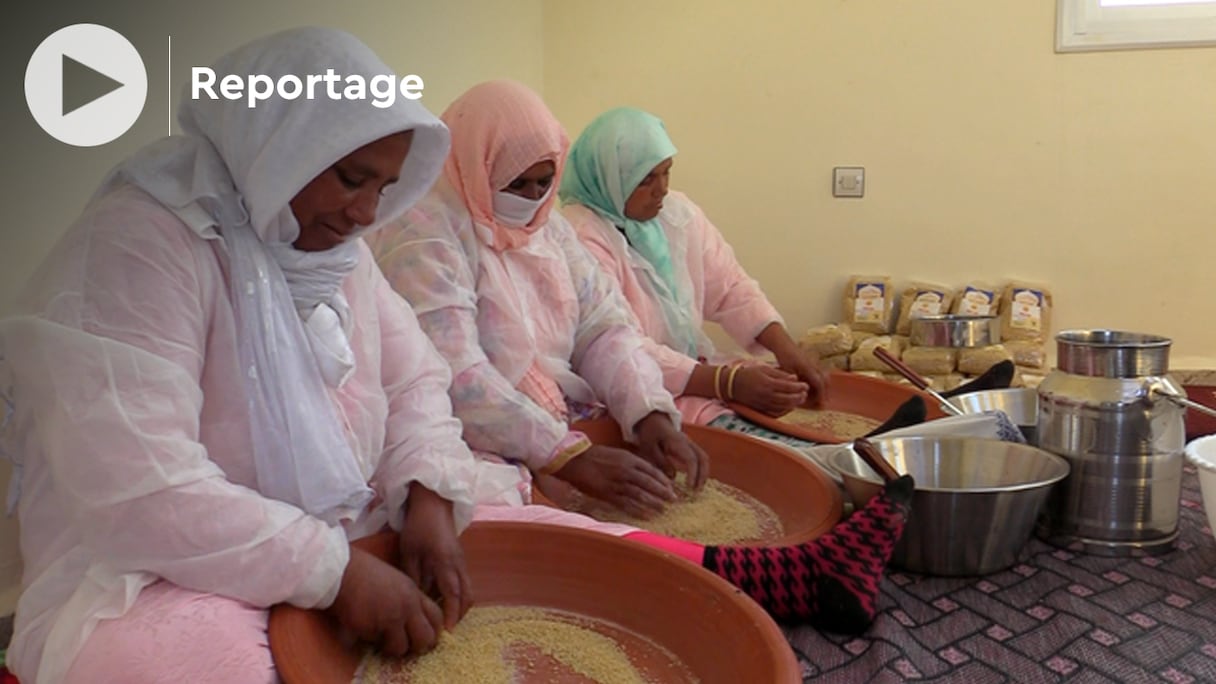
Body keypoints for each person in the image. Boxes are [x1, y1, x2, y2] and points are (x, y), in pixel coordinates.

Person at [0, 28, 527, 684]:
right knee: (196, 662)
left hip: (329, 532)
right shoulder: (144, 241)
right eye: (349, 177)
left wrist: (425, 495)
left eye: (384, 187)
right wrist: (332, 573)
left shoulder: (337, 253)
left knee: (501, 546)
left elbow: (415, 380)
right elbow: (143, 493)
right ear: (280, 144)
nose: (364, 212)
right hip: (156, 562)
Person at [368, 79, 915, 635]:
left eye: (543, 181)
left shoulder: (549, 226)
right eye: (516, 183)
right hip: (467, 434)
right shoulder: (424, 234)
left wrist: (648, 411)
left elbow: (606, 329)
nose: (532, 197)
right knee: (501, 507)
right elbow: (457, 379)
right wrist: (563, 457)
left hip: (560, 416)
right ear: (471, 162)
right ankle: (751, 575)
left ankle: (824, 488)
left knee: (666, 452)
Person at [559, 107, 831, 431]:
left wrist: (786, 349)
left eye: (666, 172)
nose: (661, 188)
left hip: (692, 376)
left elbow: (730, 286)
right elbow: (616, 348)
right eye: (646, 179)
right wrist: (725, 383)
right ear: (608, 179)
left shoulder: (675, 214)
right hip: (625, 398)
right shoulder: (579, 238)